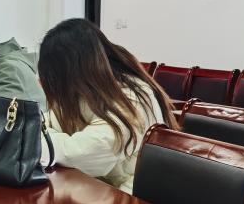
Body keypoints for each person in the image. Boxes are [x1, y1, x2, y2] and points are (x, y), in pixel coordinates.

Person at [38, 18, 177, 193]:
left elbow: (85, 155)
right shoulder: (83, 92)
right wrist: (51, 141)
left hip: (134, 197)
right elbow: (43, 126)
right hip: (97, 189)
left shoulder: (132, 96)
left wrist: (46, 143)